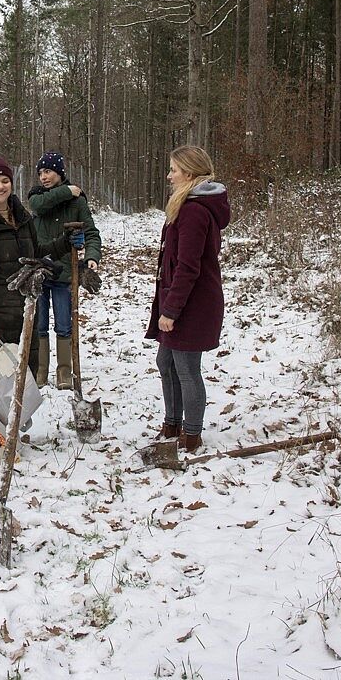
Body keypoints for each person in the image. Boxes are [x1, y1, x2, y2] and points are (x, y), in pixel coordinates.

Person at [0, 155, 76, 473]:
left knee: (20, 375)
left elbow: (35, 252)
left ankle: (5, 437)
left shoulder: (21, 215)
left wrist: (63, 243)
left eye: (4, 180)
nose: (0, 186)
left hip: (24, 307)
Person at [145, 145, 230, 453]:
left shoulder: (194, 211)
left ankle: (190, 435)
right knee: (165, 361)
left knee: (186, 368)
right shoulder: (186, 205)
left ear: (190, 174)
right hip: (181, 301)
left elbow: (188, 267)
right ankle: (172, 424)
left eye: (174, 170)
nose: (169, 176)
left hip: (193, 304)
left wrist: (170, 310)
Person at [27, 151, 102, 389]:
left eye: (48, 171)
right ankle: (40, 370)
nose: (43, 177)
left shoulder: (77, 203)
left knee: (63, 323)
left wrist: (91, 257)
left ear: (59, 172)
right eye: (40, 173)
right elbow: (39, 205)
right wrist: (67, 190)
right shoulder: (38, 198)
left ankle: (64, 372)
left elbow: (91, 232)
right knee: (39, 324)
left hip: (65, 272)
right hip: (40, 271)